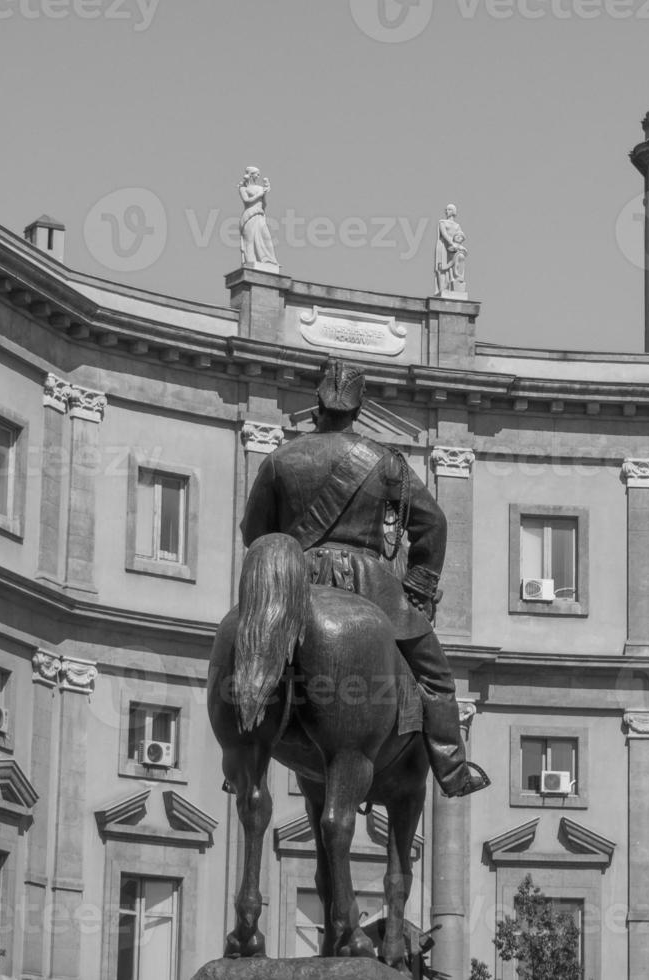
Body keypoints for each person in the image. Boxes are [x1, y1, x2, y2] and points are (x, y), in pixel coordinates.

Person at [239, 359, 489, 797]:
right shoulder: (385, 463)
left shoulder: (279, 460)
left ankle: (241, 757)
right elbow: (432, 524)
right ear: (360, 408)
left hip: (296, 584)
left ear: (317, 402)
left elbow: (253, 534)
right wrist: (418, 587)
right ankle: (453, 770)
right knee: (434, 676)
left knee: (250, 652)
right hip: (372, 588)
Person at [239, 167, 278, 268]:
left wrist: (264, 194)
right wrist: (260, 194)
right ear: (251, 175)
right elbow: (246, 200)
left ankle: (268, 260)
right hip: (249, 216)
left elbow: (264, 204)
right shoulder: (243, 188)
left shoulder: (260, 188)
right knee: (249, 239)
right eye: (257, 174)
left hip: (259, 215)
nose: (258, 176)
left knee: (266, 237)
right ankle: (250, 262)